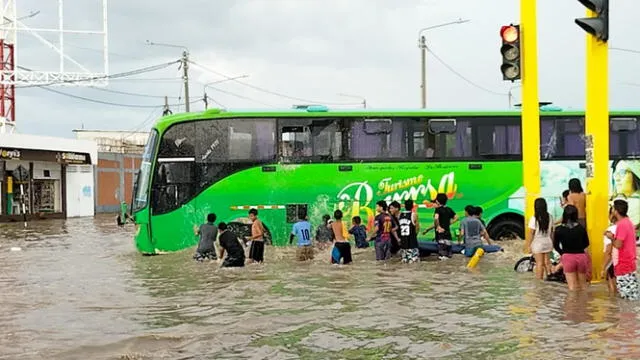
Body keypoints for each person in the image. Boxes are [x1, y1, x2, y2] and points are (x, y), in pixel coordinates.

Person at [607, 199, 639, 300]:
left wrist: (611, 237)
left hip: (623, 263)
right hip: (630, 262)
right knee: (632, 295)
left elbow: (618, 245)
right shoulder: (628, 222)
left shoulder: (621, 225)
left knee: (626, 298)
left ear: (615, 211)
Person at [553, 205, 590, 291]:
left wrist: (562, 253)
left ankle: (574, 304)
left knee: (572, 287)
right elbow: (586, 243)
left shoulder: (559, 229)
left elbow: (555, 245)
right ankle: (584, 303)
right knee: (583, 286)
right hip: (581, 257)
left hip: (568, 257)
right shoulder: (581, 228)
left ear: (564, 215)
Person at [525, 198, 554, 280]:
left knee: (539, 263)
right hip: (548, 242)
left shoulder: (534, 218)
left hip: (538, 243)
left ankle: (539, 282)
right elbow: (552, 232)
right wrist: (552, 243)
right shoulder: (550, 217)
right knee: (547, 262)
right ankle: (550, 278)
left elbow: (531, 233)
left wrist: (528, 245)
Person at [432, 193, 458, 260]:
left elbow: (436, 218)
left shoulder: (437, 210)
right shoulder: (449, 209)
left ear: (437, 201)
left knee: (442, 256)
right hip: (448, 235)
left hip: (440, 236)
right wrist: (448, 223)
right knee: (449, 256)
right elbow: (456, 218)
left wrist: (438, 226)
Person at [602, 207, 618, 295]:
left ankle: (613, 308)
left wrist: (603, 268)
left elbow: (608, 251)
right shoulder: (627, 227)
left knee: (612, 288)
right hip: (624, 262)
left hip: (612, 262)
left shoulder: (610, 230)